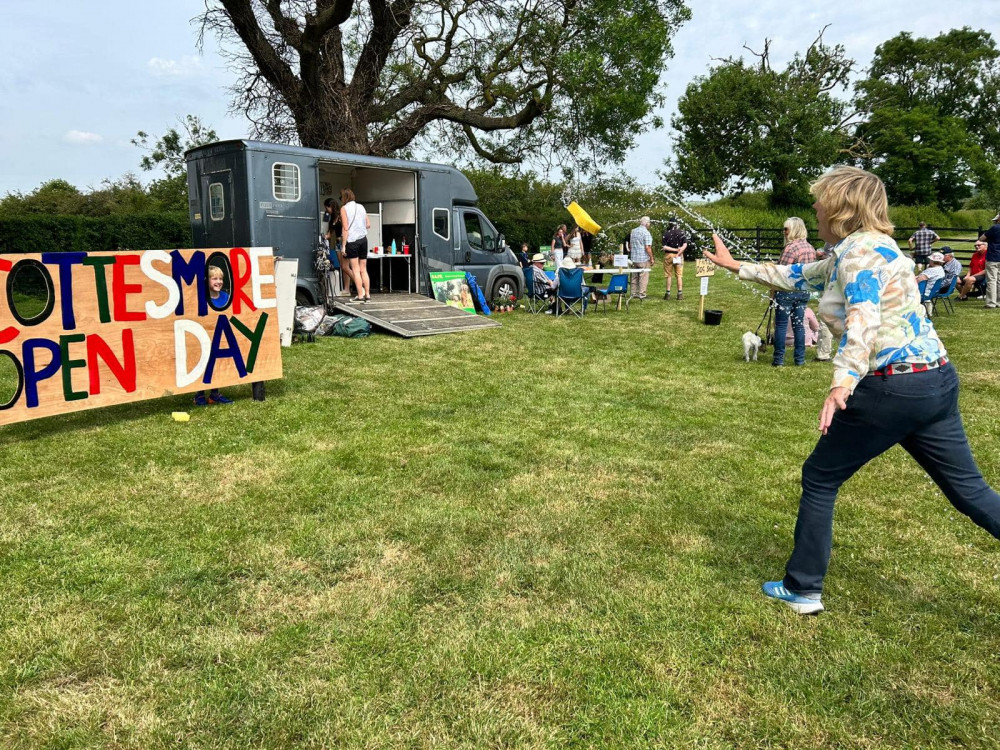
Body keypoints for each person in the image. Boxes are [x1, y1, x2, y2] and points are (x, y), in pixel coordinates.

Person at [703, 165, 1000, 615]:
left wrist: (841, 382)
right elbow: (801, 276)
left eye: (821, 199)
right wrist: (736, 266)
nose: (816, 206)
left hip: (891, 388)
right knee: (970, 492)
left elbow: (863, 318)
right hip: (935, 380)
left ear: (841, 207)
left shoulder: (858, 256)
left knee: (820, 477)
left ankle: (803, 589)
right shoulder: (866, 248)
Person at [771, 217, 817, 367]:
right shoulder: (810, 248)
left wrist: (772, 289)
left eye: (786, 229)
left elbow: (781, 272)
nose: (784, 232)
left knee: (781, 325)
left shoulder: (790, 248)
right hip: (803, 291)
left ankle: (778, 359)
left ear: (794, 230)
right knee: (799, 325)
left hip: (787, 290)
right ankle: (800, 359)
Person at [194, 266, 234, 406]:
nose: (219, 281)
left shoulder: (226, 297)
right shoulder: (201, 297)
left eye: (221, 279)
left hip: (221, 336)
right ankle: (199, 394)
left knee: (216, 363)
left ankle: (214, 394)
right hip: (204, 336)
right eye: (214, 278)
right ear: (207, 281)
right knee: (202, 363)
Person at [340, 188, 371, 302]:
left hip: (352, 241)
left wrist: (343, 246)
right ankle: (367, 295)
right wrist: (360, 226)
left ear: (344, 197)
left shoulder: (344, 208)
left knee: (356, 270)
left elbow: (345, 228)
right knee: (364, 269)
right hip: (363, 240)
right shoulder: (361, 207)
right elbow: (368, 224)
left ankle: (360, 295)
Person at [661, 220, 688, 300]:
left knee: (668, 275)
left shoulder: (666, 233)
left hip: (668, 255)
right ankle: (679, 294)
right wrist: (679, 251)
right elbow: (685, 244)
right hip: (678, 256)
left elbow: (664, 247)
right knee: (679, 275)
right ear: (677, 224)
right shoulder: (681, 233)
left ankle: (668, 294)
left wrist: (675, 250)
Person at [628, 216, 654, 299]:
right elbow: (647, 247)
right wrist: (652, 258)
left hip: (633, 258)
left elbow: (631, 245)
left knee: (634, 276)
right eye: (649, 223)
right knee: (643, 276)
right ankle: (642, 294)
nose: (649, 224)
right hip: (643, 259)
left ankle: (633, 293)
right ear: (646, 223)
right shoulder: (646, 233)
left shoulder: (633, 231)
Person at [983, 213, 1000, 309]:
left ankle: (991, 303)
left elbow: (982, 238)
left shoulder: (995, 228)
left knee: (991, 281)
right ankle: (998, 302)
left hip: (993, 257)